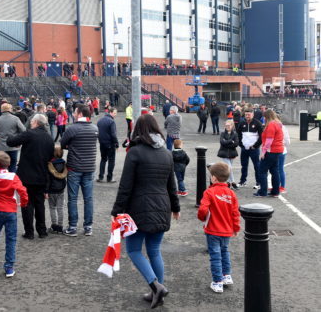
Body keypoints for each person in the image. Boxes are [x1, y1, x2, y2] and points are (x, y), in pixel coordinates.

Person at [110, 114, 180, 308]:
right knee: (154, 251)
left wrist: (116, 211)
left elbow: (126, 185)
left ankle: (155, 286)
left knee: (133, 250)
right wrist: (175, 207)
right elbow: (171, 184)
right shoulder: (166, 153)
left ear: (138, 130)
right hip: (162, 206)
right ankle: (158, 290)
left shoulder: (135, 152)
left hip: (138, 207)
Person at [7, 114, 54, 239]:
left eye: (32, 121)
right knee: (39, 204)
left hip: (26, 175)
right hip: (42, 174)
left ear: (36, 123)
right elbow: (50, 158)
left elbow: (11, 141)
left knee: (27, 203)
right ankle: (42, 230)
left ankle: (29, 232)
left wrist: (10, 135)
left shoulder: (29, 134)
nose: (31, 123)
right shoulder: (49, 138)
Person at [0, 152, 28, 278]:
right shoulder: (12, 176)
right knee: (11, 239)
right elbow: (23, 191)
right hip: (10, 211)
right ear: (9, 164)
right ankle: (9, 267)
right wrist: (23, 203)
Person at [197, 162, 240, 294]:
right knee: (224, 251)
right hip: (227, 230)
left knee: (215, 256)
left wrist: (201, 217)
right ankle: (226, 275)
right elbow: (235, 213)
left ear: (214, 178)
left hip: (212, 230)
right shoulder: (231, 194)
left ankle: (217, 282)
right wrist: (236, 228)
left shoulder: (209, 192)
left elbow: (203, 209)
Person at [60, 104, 99, 237]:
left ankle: (72, 227)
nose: (74, 114)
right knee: (88, 198)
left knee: (73, 198)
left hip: (74, 167)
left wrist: (71, 146)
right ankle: (88, 226)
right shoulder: (94, 128)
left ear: (80, 114)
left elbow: (62, 143)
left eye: (75, 112)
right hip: (89, 168)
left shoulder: (73, 129)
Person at [255, 109, 284, 197]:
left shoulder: (271, 125)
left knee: (262, 171)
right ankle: (275, 191)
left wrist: (263, 152)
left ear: (267, 117)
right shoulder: (278, 124)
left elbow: (269, 140)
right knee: (274, 171)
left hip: (271, 150)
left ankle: (262, 192)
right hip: (278, 150)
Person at [0, 103, 26, 173]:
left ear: (1, 110)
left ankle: (2, 180)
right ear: (10, 109)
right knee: (13, 164)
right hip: (13, 145)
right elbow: (23, 130)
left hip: (1, 145)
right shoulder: (15, 119)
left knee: (1, 165)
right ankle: (12, 180)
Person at [236, 108, 263, 189]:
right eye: (246, 114)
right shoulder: (242, 123)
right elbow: (239, 135)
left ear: (253, 114)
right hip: (244, 149)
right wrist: (241, 145)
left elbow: (261, 137)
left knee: (257, 166)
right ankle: (243, 181)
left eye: (249, 114)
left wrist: (255, 146)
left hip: (254, 149)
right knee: (244, 166)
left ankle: (258, 182)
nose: (247, 116)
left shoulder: (257, 123)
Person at [46, 146, 67, 234]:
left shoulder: (50, 164)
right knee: (60, 208)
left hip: (51, 189)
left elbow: (47, 179)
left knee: (52, 207)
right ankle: (60, 226)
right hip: (61, 189)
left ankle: (54, 226)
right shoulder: (64, 164)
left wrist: (46, 190)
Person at [97, 107, 119, 183]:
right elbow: (113, 134)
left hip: (102, 143)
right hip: (110, 143)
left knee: (103, 159)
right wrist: (116, 143)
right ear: (110, 112)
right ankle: (109, 178)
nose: (115, 115)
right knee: (111, 160)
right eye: (115, 113)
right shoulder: (111, 121)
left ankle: (100, 176)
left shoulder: (100, 120)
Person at [217, 120, 239, 190]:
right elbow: (222, 142)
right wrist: (230, 141)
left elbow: (236, 144)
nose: (227, 127)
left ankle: (228, 183)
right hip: (224, 153)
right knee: (229, 168)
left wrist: (227, 142)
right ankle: (233, 182)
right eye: (226, 125)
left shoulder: (235, 134)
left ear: (232, 126)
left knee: (229, 169)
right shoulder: (223, 133)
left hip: (232, 153)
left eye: (229, 125)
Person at [278, 117, 290, 194]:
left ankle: (282, 186)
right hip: (277, 150)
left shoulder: (282, 127)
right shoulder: (282, 127)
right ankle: (277, 185)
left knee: (280, 168)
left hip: (280, 150)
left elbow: (287, 141)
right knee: (276, 169)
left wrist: (282, 144)